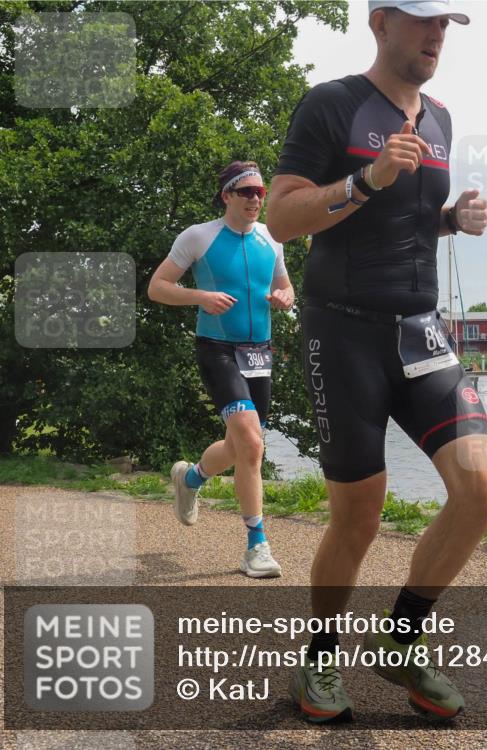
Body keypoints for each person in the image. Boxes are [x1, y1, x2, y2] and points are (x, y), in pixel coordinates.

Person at [267, 0, 487, 724]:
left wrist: (449, 219)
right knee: (358, 520)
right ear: (381, 24)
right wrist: (363, 179)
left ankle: (400, 641)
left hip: (419, 329)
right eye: (424, 22)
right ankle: (320, 662)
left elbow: (405, 216)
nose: (437, 36)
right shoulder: (331, 105)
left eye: (447, 25)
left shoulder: (440, 118)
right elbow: (282, 215)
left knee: (481, 492)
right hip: (342, 332)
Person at [149, 161, 294, 579]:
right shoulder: (199, 236)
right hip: (217, 348)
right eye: (246, 192)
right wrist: (200, 297)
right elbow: (158, 287)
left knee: (242, 447)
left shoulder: (272, 237)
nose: (255, 199)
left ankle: (190, 478)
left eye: (261, 193)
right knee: (251, 442)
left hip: (259, 351)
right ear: (227, 195)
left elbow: (285, 285)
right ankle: (256, 545)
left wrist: (284, 296)